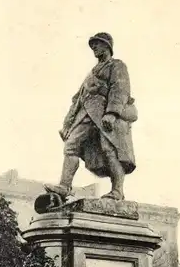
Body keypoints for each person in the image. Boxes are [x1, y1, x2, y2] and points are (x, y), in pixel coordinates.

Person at [44, 32, 137, 201]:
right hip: (86, 113)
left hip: (105, 114)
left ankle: (117, 191)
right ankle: (64, 186)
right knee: (71, 145)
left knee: (110, 149)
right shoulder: (91, 73)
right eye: (92, 44)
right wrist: (67, 125)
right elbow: (77, 100)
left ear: (108, 46)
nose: (94, 47)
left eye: (98, 44)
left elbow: (120, 89)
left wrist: (112, 113)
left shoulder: (116, 66)